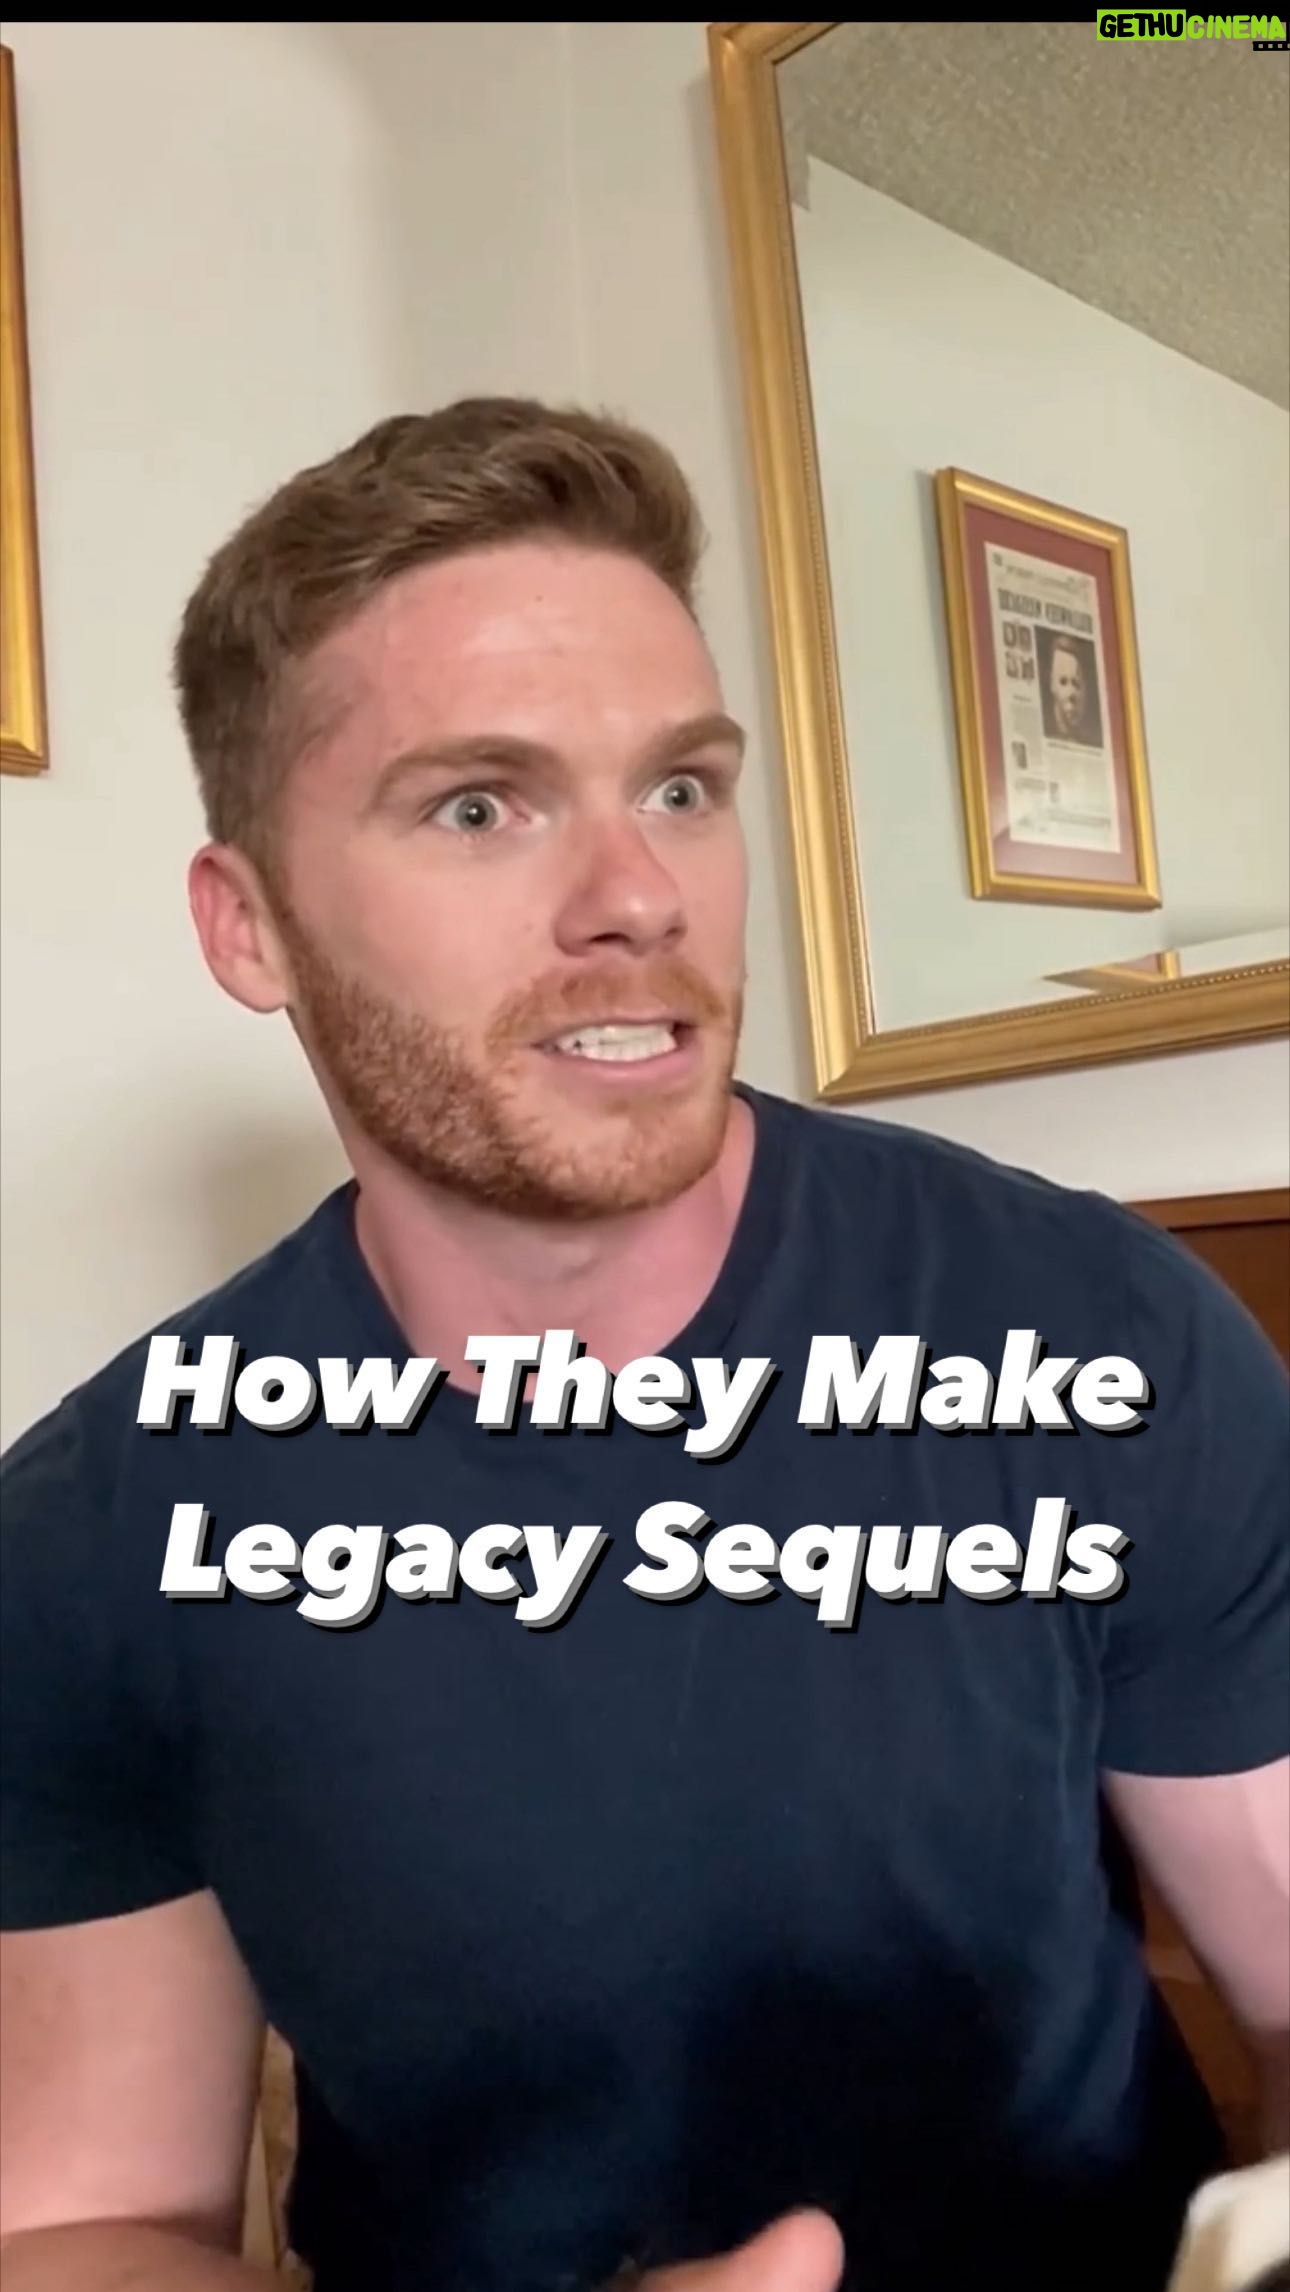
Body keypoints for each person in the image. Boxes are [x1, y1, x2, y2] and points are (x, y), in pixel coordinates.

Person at [0, 398, 1286, 2292]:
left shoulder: (1100, 1340)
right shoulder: (94, 1539)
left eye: (681, 788)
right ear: (248, 924)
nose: (638, 896)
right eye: (479, 806)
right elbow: (81, 2218)